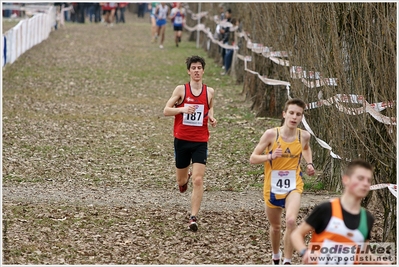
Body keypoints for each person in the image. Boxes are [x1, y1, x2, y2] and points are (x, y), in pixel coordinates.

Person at [249, 98, 315, 265]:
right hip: (272, 186)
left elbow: (306, 148)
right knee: (276, 227)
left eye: (298, 114)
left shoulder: (304, 136)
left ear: (301, 117)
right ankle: (276, 256)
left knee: (291, 221)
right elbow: (253, 158)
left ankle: (287, 260)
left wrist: (309, 163)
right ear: (284, 114)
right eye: (291, 113)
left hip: (294, 185)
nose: (294, 117)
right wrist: (270, 156)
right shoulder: (272, 134)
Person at [291, 159, 390, 265]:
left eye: (368, 180)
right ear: (346, 180)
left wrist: (379, 262)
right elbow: (296, 234)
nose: (365, 184)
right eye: (360, 178)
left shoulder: (367, 218)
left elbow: (363, 253)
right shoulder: (326, 209)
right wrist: (305, 252)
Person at [163, 55, 217, 232]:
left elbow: (209, 110)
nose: (196, 71)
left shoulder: (210, 92)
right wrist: (182, 109)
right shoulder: (181, 90)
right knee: (182, 179)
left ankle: (193, 218)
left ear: (203, 70)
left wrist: (212, 118)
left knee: (199, 179)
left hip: (200, 140)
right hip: (182, 139)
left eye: (199, 68)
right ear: (188, 71)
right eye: (193, 68)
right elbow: (166, 110)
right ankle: (182, 182)